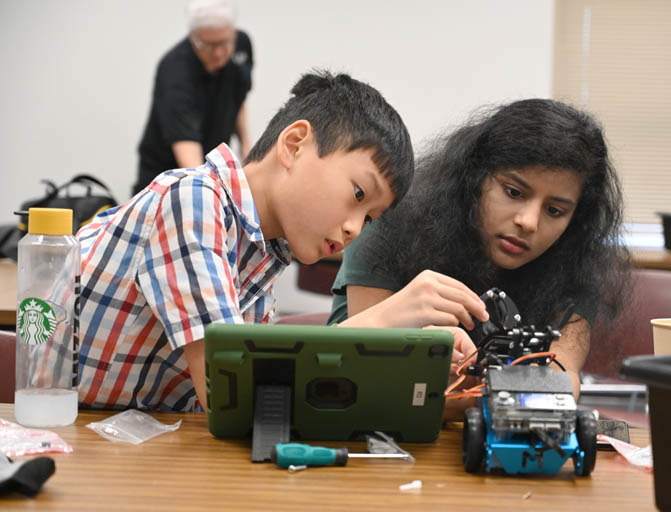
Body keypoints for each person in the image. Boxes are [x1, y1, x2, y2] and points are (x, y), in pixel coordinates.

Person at [77, 70, 417, 412]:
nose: (355, 229)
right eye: (358, 193)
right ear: (295, 144)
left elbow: (263, 395)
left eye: (370, 217)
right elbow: (231, 396)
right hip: (71, 440)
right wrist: (378, 321)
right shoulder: (193, 200)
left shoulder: (265, 251)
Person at [329, 99, 631, 401]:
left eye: (554, 211)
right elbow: (369, 372)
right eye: (513, 192)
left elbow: (560, 384)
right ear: (475, 177)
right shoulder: (389, 225)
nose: (528, 222)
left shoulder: (575, 269)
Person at [132, 0, 254, 195]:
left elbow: (238, 98)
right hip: (168, 182)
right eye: (210, 45)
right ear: (194, 38)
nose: (219, 53)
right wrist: (209, 193)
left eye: (224, 43)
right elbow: (188, 152)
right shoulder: (175, 71)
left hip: (210, 168)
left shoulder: (242, 45)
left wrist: (246, 149)